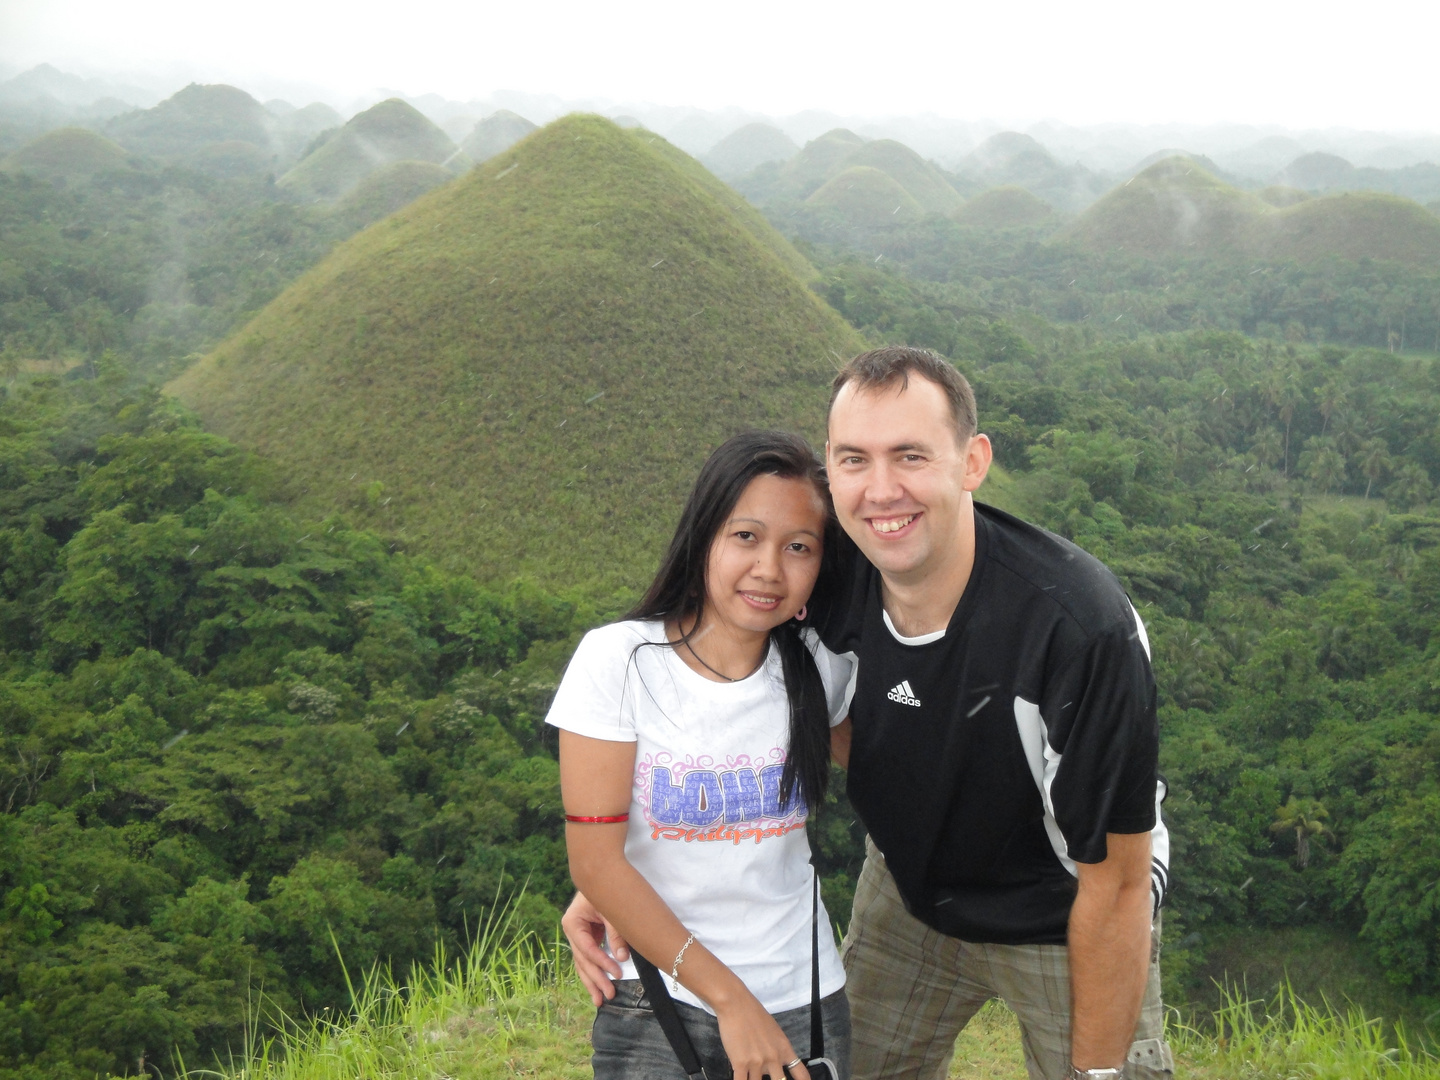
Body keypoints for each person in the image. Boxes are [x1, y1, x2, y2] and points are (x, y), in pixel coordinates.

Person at [566, 347, 1172, 1080]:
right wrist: (613, 877)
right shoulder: (817, 571)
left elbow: (1118, 882)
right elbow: (737, 717)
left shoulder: (1076, 630)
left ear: (972, 462)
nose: (881, 491)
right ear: (831, 468)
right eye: (855, 460)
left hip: (1062, 903)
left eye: (910, 456)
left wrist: (1100, 1074)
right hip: (909, 888)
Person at [548, 430, 855, 1080]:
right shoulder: (620, 662)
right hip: (660, 997)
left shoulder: (819, 669)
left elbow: (905, 775)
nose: (770, 569)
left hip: (804, 994)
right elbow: (596, 862)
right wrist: (730, 999)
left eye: (798, 547)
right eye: (745, 536)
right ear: (704, 537)